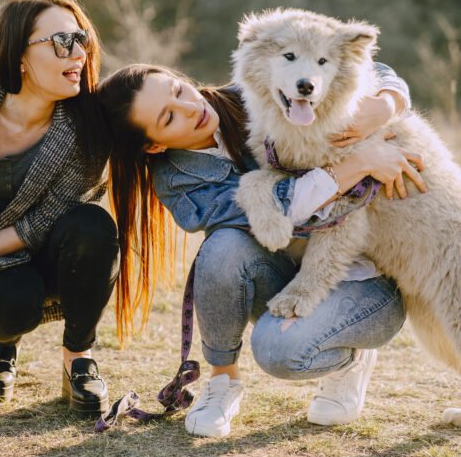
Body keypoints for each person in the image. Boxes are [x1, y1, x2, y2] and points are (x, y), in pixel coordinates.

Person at [97, 62, 425, 436]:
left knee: (281, 350)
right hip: (293, 274)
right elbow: (277, 211)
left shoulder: (258, 91)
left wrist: (386, 104)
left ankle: (349, 350)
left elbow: (365, 65)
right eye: (169, 117)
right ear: (154, 144)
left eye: (177, 90)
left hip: (367, 274)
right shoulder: (177, 181)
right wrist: (359, 163)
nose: (191, 107)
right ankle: (222, 384)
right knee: (224, 249)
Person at [0, 0, 117, 416]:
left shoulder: (85, 129)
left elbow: (40, 224)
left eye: (82, 40)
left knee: (93, 225)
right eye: (62, 42)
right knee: (9, 309)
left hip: (47, 251)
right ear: (18, 55)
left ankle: (79, 358)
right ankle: (2, 346)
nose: (78, 53)